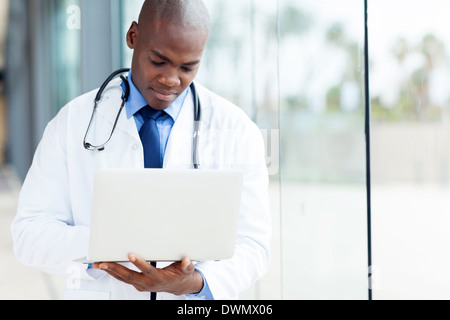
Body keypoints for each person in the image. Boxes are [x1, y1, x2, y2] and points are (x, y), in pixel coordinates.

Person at [11, 0, 271, 300]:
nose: (171, 79)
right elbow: (29, 235)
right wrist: (105, 246)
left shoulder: (236, 130)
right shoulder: (72, 122)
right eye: (158, 61)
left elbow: (254, 244)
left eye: (188, 67)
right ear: (133, 36)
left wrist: (194, 284)